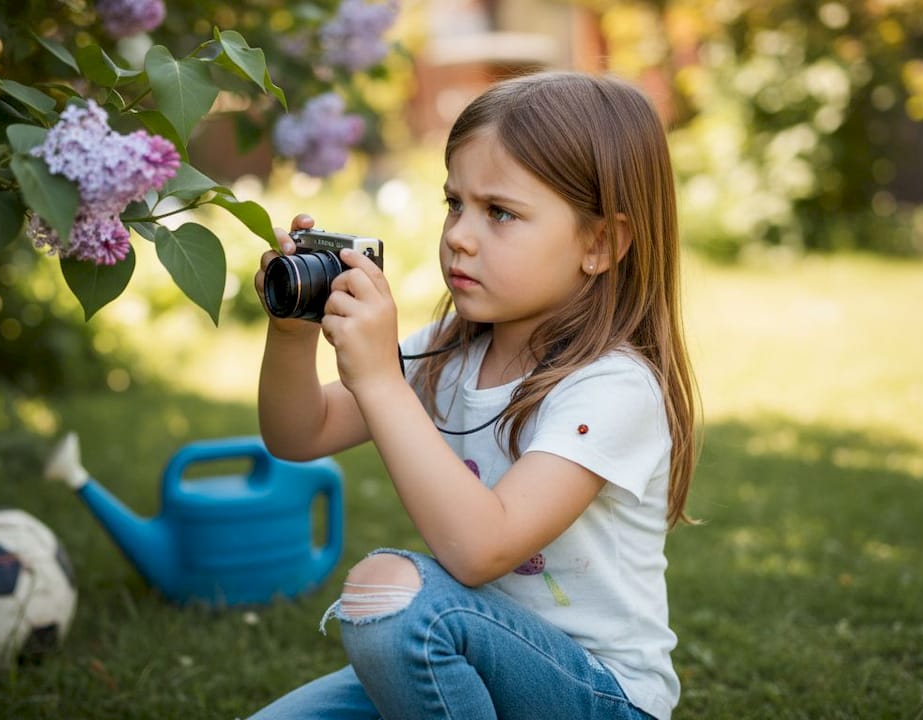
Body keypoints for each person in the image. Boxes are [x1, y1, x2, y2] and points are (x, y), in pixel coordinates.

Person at [249, 71, 698, 720]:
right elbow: (299, 434)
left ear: (600, 243)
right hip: (468, 660)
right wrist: (292, 333)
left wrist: (379, 379)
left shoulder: (613, 387)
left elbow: (482, 548)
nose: (460, 234)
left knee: (390, 596)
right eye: (454, 203)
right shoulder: (451, 351)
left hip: (598, 697)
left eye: (500, 213)